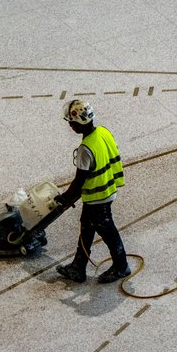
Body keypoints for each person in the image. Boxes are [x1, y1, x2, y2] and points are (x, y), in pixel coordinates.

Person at [27, 99, 131, 283]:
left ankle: (121, 266)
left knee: (107, 231)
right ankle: (78, 266)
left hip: (98, 197)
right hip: (107, 190)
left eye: (70, 122)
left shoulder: (85, 149)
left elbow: (80, 180)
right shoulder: (103, 132)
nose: (69, 125)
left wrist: (65, 198)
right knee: (86, 228)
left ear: (75, 125)